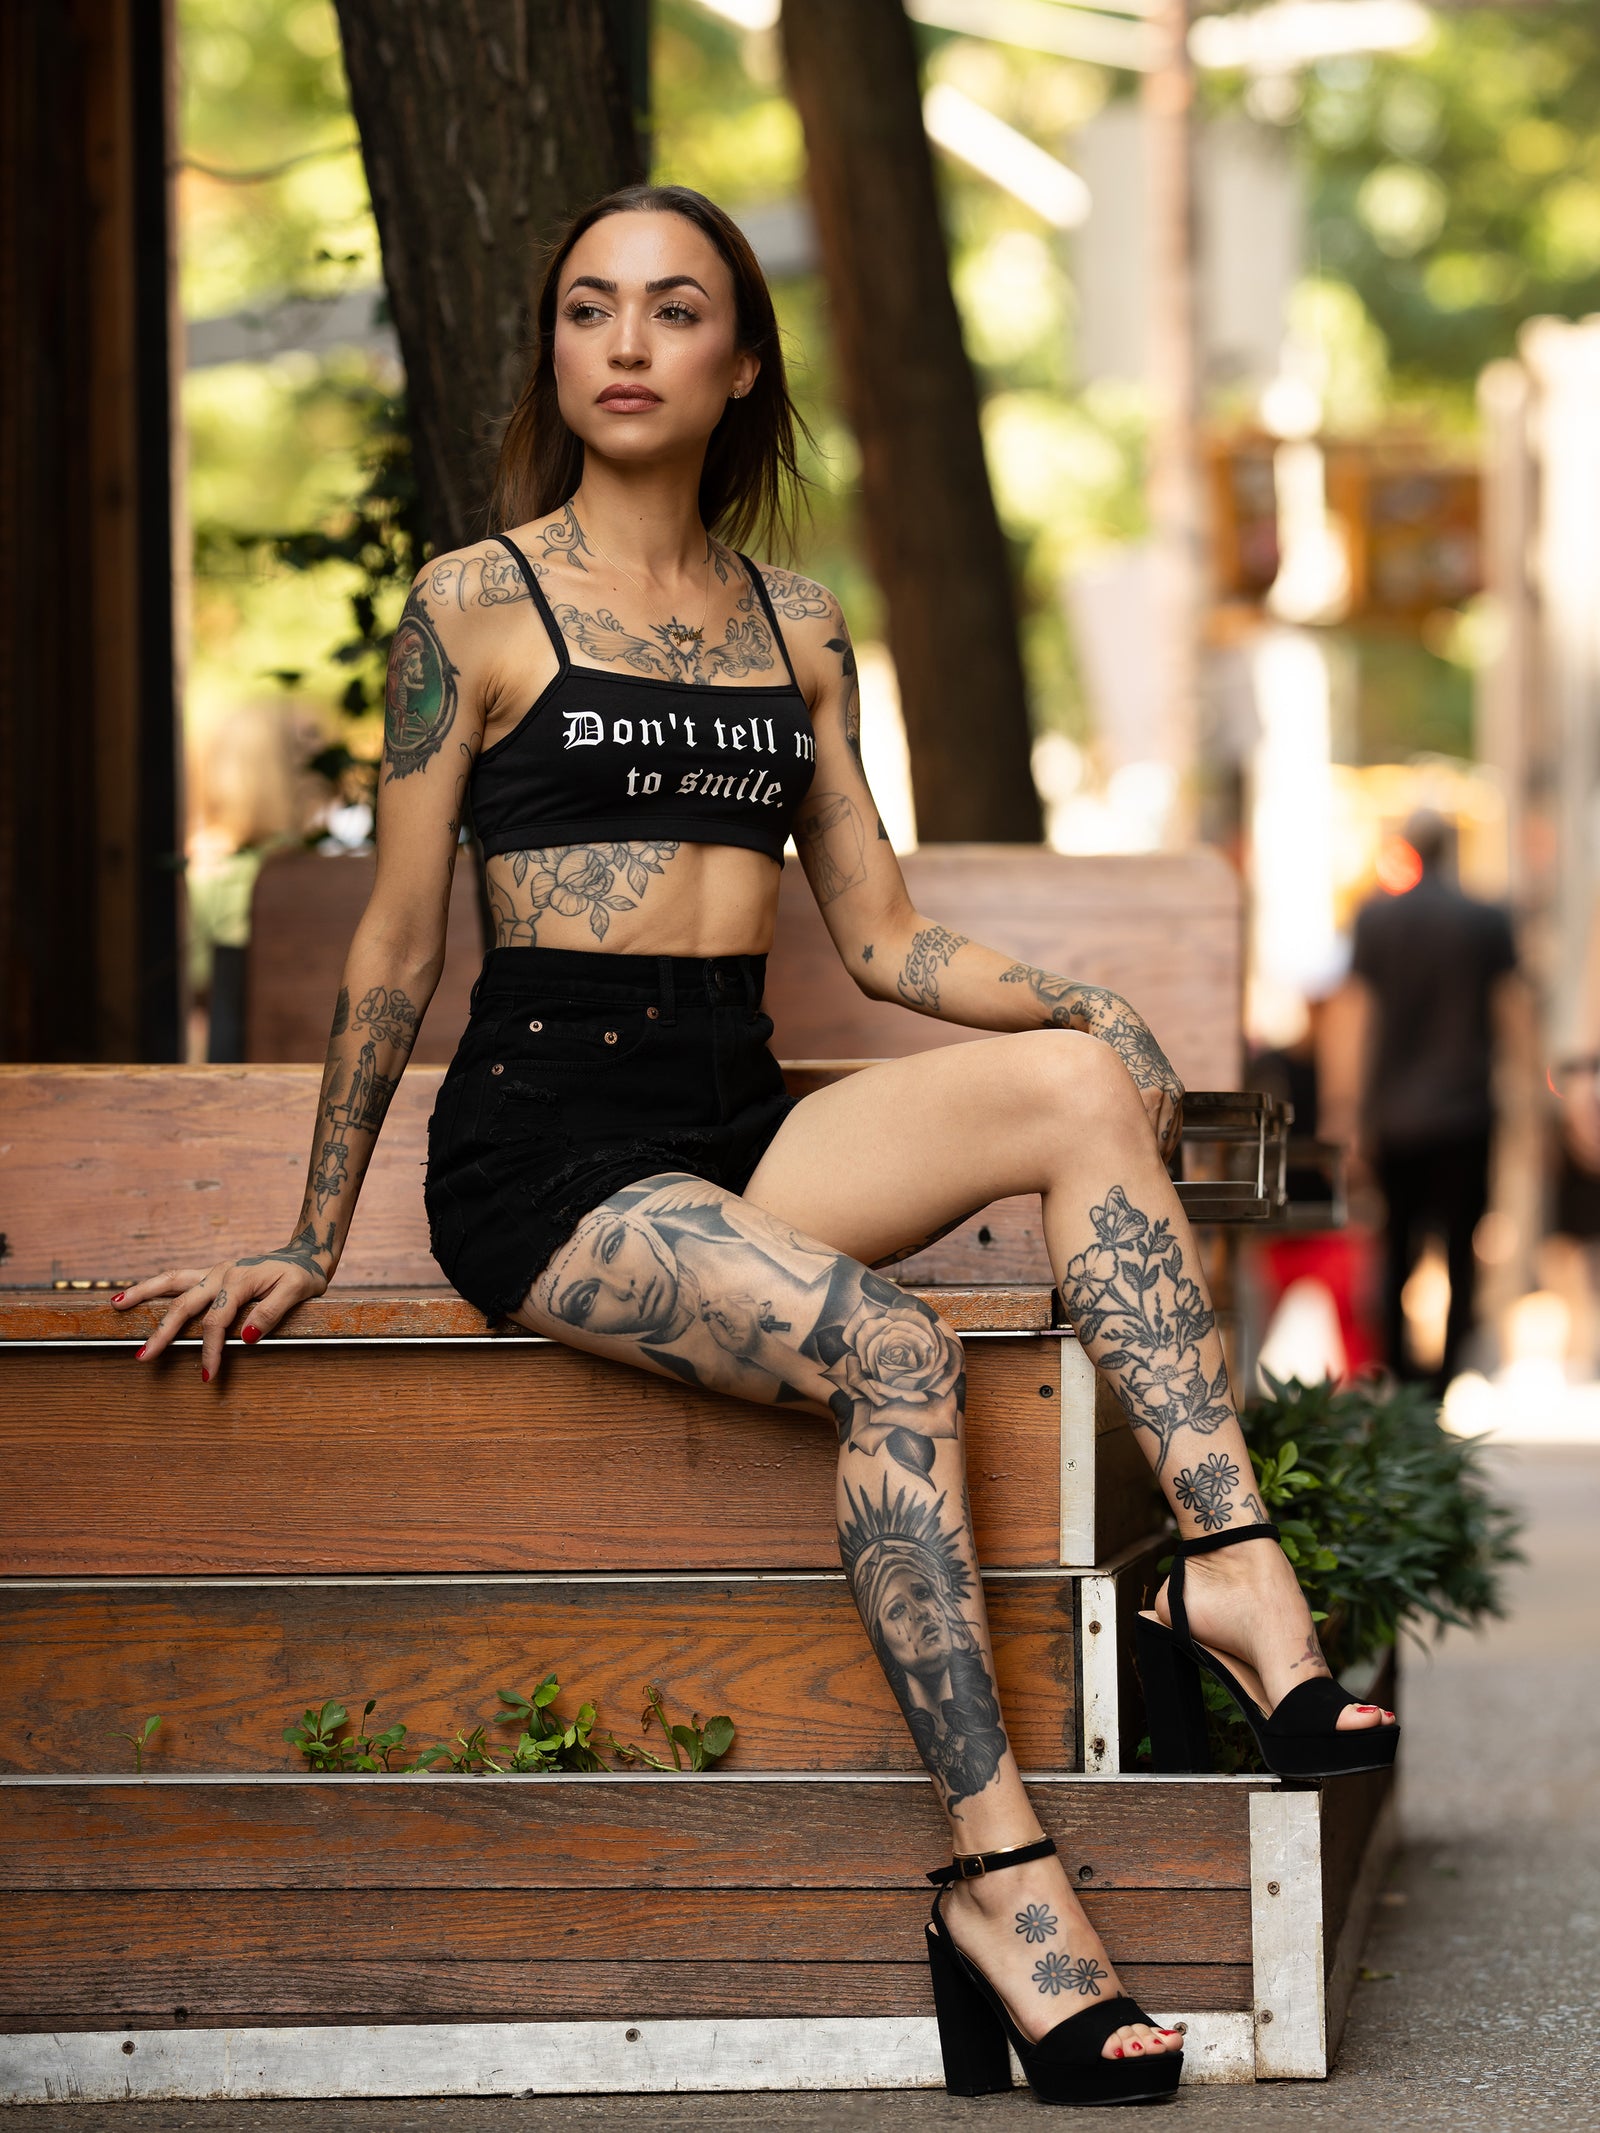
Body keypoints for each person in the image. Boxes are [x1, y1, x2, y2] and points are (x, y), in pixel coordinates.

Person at [115, 184, 1394, 2106]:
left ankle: (1231, 1568)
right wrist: (310, 1231)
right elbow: (393, 944)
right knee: (898, 1346)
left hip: (733, 1117)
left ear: (738, 362)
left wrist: (1086, 1005)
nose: (625, 342)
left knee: (1073, 1086)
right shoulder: (473, 602)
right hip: (550, 1155)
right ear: (556, 353)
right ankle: (1004, 1884)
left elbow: (879, 939)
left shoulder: (797, 624)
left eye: (672, 306)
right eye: (588, 308)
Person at [1349, 810, 1519, 1392]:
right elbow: (1512, 1013)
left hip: (1393, 1116)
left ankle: (1398, 1380)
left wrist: (1346, 1109)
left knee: (1394, 1249)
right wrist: (1528, 1099)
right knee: (1460, 1251)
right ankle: (1444, 1383)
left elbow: (1358, 1019)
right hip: (1466, 1113)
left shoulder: (1376, 919)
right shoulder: (1487, 919)